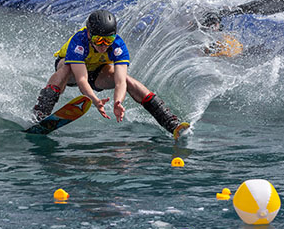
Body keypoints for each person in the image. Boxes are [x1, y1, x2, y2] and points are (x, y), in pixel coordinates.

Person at [31, 10, 189, 138]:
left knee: (129, 80)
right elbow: (81, 79)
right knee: (65, 68)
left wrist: (117, 102)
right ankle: (40, 112)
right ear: (89, 35)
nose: (103, 45)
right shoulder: (79, 41)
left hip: (99, 72)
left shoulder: (118, 46)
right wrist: (94, 99)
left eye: (108, 40)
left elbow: (120, 82)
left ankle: (170, 122)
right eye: (98, 40)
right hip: (73, 71)